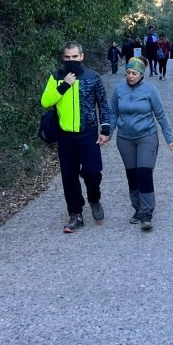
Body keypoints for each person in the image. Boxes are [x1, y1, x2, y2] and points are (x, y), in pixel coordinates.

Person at [41, 41, 112, 233]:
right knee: (69, 177)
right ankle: (75, 214)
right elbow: (45, 101)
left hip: (88, 133)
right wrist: (64, 85)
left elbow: (103, 104)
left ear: (82, 56)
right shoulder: (56, 77)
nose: (71, 60)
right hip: (66, 136)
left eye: (74, 56)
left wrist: (105, 129)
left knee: (92, 172)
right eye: (67, 57)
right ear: (63, 58)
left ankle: (94, 199)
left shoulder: (92, 76)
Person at [109, 56, 173, 230]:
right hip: (125, 138)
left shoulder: (150, 90)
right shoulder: (119, 89)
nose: (130, 76)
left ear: (141, 74)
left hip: (146, 137)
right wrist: (107, 134)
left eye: (134, 73)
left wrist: (170, 139)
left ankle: (147, 213)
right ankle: (138, 209)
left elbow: (161, 115)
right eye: (128, 72)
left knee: (144, 173)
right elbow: (112, 113)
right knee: (132, 175)